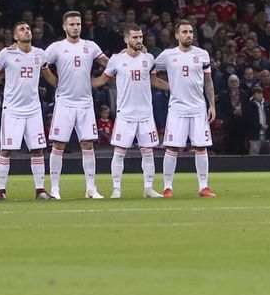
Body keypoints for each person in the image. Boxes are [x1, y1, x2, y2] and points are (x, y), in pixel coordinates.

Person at [43, 11, 106, 199]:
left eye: (78, 24)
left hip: (85, 102)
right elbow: (42, 65)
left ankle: (91, 188)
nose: (75, 27)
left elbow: (108, 64)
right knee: (58, 144)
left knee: (87, 144)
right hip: (65, 102)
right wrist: (55, 82)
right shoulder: (56, 47)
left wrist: (98, 81)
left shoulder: (90, 46)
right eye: (71, 24)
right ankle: (54, 188)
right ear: (64, 27)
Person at [97, 24, 164, 198]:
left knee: (148, 153)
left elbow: (155, 81)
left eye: (140, 37)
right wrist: (84, 84)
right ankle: (116, 189)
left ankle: (148, 188)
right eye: (135, 37)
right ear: (126, 39)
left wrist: (175, 88)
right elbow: (103, 80)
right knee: (119, 153)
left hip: (145, 114)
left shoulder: (149, 59)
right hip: (125, 114)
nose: (139, 40)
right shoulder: (116, 59)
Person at [151, 21, 216, 197]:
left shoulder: (202, 54)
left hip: (198, 108)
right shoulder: (168, 55)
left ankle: (203, 187)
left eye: (190, 32)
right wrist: (169, 87)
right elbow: (150, 73)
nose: (188, 35)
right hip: (177, 108)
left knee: (201, 148)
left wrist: (211, 105)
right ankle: (167, 187)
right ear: (177, 36)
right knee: (172, 148)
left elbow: (208, 81)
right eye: (184, 32)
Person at [0, 22, 50, 200]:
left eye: (28, 29)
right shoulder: (6, 54)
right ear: (15, 36)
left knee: (38, 149)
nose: (27, 31)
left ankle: (40, 190)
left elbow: (49, 76)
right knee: (6, 149)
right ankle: (1, 191)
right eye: (22, 29)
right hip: (13, 109)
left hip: (33, 109)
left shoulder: (40, 54)